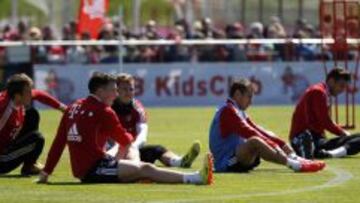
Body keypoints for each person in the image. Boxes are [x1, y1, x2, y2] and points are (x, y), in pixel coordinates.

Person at [37, 72, 213, 185]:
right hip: (94, 169)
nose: (116, 94)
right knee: (146, 168)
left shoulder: (73, 107)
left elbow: (59, 142)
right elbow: (126, 140)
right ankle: (196, 177)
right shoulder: (105, 111)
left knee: (142, 166)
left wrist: (46, 173)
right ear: (99, 91)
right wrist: (120, 160)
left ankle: (141, 173)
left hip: (89, 167)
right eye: (113, 90)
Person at [209, 78, 325, 173]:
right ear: (238, 94)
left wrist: (284, 146)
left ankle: (296, 158)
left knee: (266, 133)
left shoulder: (237, 110)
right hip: (226, 163)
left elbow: (257, 129)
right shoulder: (228, 111)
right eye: (249, 96)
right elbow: (249, 132)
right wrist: (274, 146)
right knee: (255, 140)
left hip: (237, 156)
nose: (251, 102)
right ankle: (295, 165)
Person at [107, 73, 200, 168]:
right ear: (116, 90)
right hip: (111, 151)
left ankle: (179, 162)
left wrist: (132, 147)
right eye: (124, 89)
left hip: (132, 149)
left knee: (157, 149)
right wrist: (119, 149)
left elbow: (142, 136)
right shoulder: (108, 107)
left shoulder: (137, 108)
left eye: (131, 89)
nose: (128, 92)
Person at [0, 73, 66, 176]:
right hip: (2, 161)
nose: (32, 94)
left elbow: (39, 94)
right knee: (37, 139)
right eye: (28, 91)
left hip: (7, 145)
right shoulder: (3, 107)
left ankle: (29, 166)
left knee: (31, 114)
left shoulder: (15, 97)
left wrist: (62, 108)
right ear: (18, 95)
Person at [289, 68, 360, 159]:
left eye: (345, 87)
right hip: (307, 140)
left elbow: (322, 121)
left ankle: (328, 153)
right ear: (331, 81)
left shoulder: (321, 91)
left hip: (310, 138)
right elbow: (325, 122)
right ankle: (329, 154)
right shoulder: (318, 92)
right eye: (341, 85)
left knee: (356, 137)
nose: (342, 90)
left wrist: (344, 134)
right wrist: (343, 133)